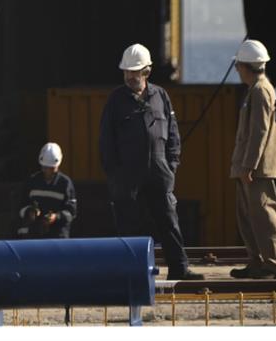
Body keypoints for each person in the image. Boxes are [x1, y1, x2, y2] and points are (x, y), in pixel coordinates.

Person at [98, 43, 202, 280]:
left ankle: (179, 269)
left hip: (159, 170)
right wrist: (116, 176)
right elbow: (106, 141)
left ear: (147, 71)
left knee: (169, 221)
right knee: (129, 224)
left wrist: (171, 165)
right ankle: (132, 274)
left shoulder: (160, 96)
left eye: (134, 71)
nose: (129, 76)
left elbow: (173, 134)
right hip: (128, 175)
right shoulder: (116, 100)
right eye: (126, 71)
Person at [228, 39, 276, 278]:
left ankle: (272, 264)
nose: (237, 70)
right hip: (249, 167)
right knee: (248, 216)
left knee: (264, 216)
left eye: (238, 65)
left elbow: (260, 131)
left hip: (258, 169)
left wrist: (249, 165)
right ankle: (257, 262)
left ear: (246, 67)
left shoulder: (260, 91)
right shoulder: (255, 90)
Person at [16, 142, 77, 238]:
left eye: (52, 168)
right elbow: (21, 206)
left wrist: (56, 217)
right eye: (45, 168)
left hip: (58, 237)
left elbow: (71, 212)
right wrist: (30, 211)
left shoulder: (65, 183)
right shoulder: (32, 181)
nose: (48, 171)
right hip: (34, 236)